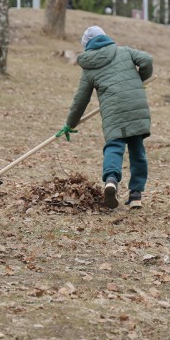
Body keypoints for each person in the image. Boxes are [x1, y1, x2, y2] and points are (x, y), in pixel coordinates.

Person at [56, 26, 153, 210]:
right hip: (135, 107)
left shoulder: (89, 68)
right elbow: (147, 59)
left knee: (114, 147)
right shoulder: (124, 51)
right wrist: (141, 79)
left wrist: (70, 123)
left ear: (87, 46)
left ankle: (110, 181)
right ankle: (136, 195)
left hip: (114, 111)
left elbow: (81, 99)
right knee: (137, 149)